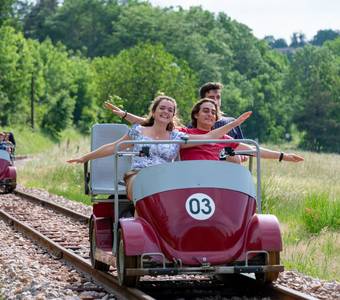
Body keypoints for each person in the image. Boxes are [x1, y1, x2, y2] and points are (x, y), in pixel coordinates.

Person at [68, 95, 252, 200]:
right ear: (154, 112)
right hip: (139, 175)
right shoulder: (138, 131)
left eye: (170, 110)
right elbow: (113, 147)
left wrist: (233, 124)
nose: (166, 112)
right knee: (145, 191)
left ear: (173, 115)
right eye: (162, 108)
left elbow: (210, 137)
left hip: (165, 177)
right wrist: (85, 158)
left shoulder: (177, 137)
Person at [179, 98, 304, 163]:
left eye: (213, 112)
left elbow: (253, 150)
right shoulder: (184, 133)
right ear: (196, 115)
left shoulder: (224, 139)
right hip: (191, 182)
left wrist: (284, 156)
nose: (210, 115)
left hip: (215, 182)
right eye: (205, 111)